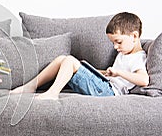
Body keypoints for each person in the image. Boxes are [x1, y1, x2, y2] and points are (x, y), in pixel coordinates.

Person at [11, 12, 149, 100]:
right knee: (62, 59)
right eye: (113, 43)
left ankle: (53, 93)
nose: (115, 47)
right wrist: (101, 72)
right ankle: (30, 86)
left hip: (109, 92)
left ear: (134, 36)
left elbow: (144, 80)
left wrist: (119, 72)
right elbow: (115, 76)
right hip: (104, 84)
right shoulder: (124, 52)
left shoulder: (138, 57)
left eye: (118, 42)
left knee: (70, 60)